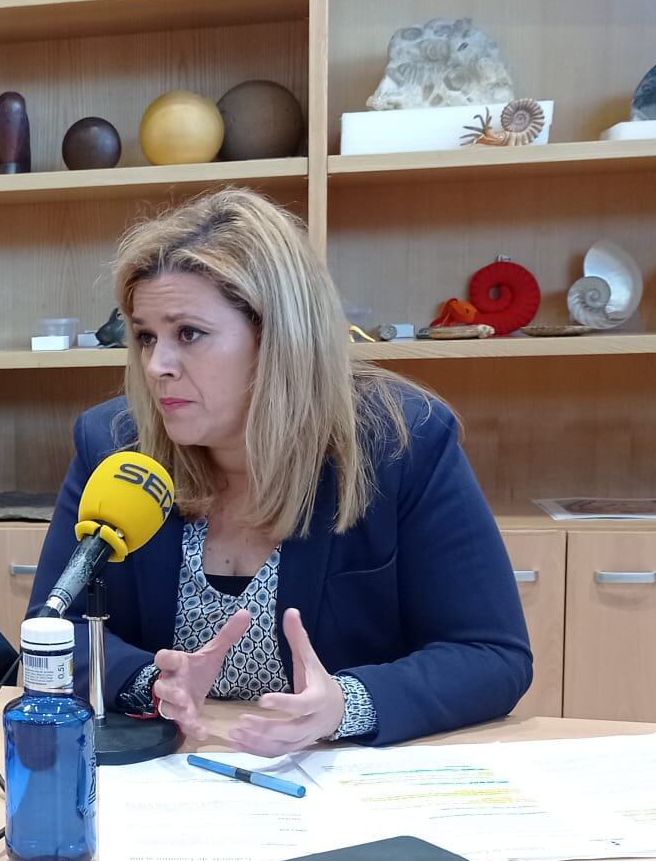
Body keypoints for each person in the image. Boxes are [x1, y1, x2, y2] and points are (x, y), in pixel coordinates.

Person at [26, 189, 530, 755]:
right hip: (175, 778)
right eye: (146, 336)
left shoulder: (400, 443)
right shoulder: (113, 446)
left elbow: (490, 654)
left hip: (335, 781)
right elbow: (51, 631)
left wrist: (345, 704)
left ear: (277, 339)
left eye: (188, 333)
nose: (156, 367)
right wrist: (152, 683)